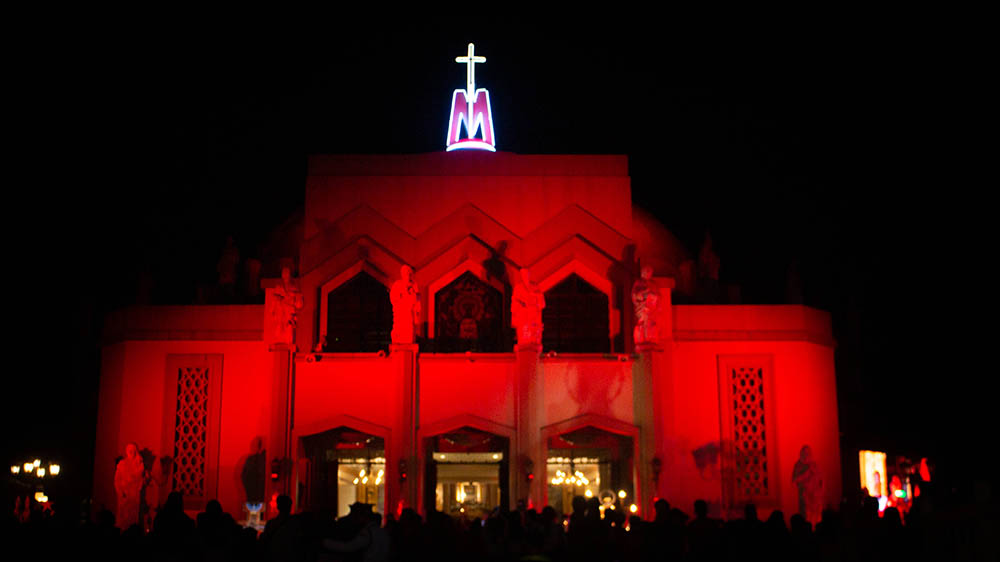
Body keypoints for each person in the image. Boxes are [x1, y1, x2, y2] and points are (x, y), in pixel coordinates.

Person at [114, 443, 146, 530]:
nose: (131, 452)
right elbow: (117, 480)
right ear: (126, 451)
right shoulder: (122, 464)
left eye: (133, 451)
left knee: (133, 518)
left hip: (134, 497)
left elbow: (140, 480)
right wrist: (120, 492)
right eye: (130, 451)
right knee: (123, 519)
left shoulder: (138, 465)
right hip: (124, 496)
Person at [511, 268, 545, 347]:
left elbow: (541, 301)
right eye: (523, 274)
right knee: (524, 333)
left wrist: (535, 296)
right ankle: (524, 344)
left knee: (533, 333)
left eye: (526, 274)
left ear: (529, 275)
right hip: (523, 314)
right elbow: (515, 300)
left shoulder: (535, 286)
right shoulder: (518, 287)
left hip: (533, 313)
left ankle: (533, 342)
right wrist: (521, 304)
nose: (525, 276)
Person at [271, 266, 304, 344]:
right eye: (284, 274)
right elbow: (274, 302)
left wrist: (291, 301)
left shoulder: (295, 288)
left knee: (289, 333)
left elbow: (299, 304)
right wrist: (273, 310)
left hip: (289, 315)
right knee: (279, 332)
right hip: (280, 315)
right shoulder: (279, 288)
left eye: (287, 274)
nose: (285, 275)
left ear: (290, 275)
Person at [390, 265, 420, 344]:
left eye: (410, 274)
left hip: (410, 313)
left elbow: (417, 299)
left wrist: (417, 305)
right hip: (401, 313)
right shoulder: (397, 284)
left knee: (409, 330)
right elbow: (394, 298)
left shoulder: (414, 285)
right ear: (402, 274)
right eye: (407, 273)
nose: (409, 275)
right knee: (401, 329)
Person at [631, 265, 660, 345]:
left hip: (652, 309)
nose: (649, 274)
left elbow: (658, 296)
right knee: (642, 323)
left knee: (651, 324)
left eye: (650, 272)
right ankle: (642, 339)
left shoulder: (653, 284)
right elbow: (635, 295)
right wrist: (646, 293)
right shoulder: (638, 283)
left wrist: (653, 297)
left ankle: (651, 338)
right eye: (647, 271)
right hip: (643, 308)